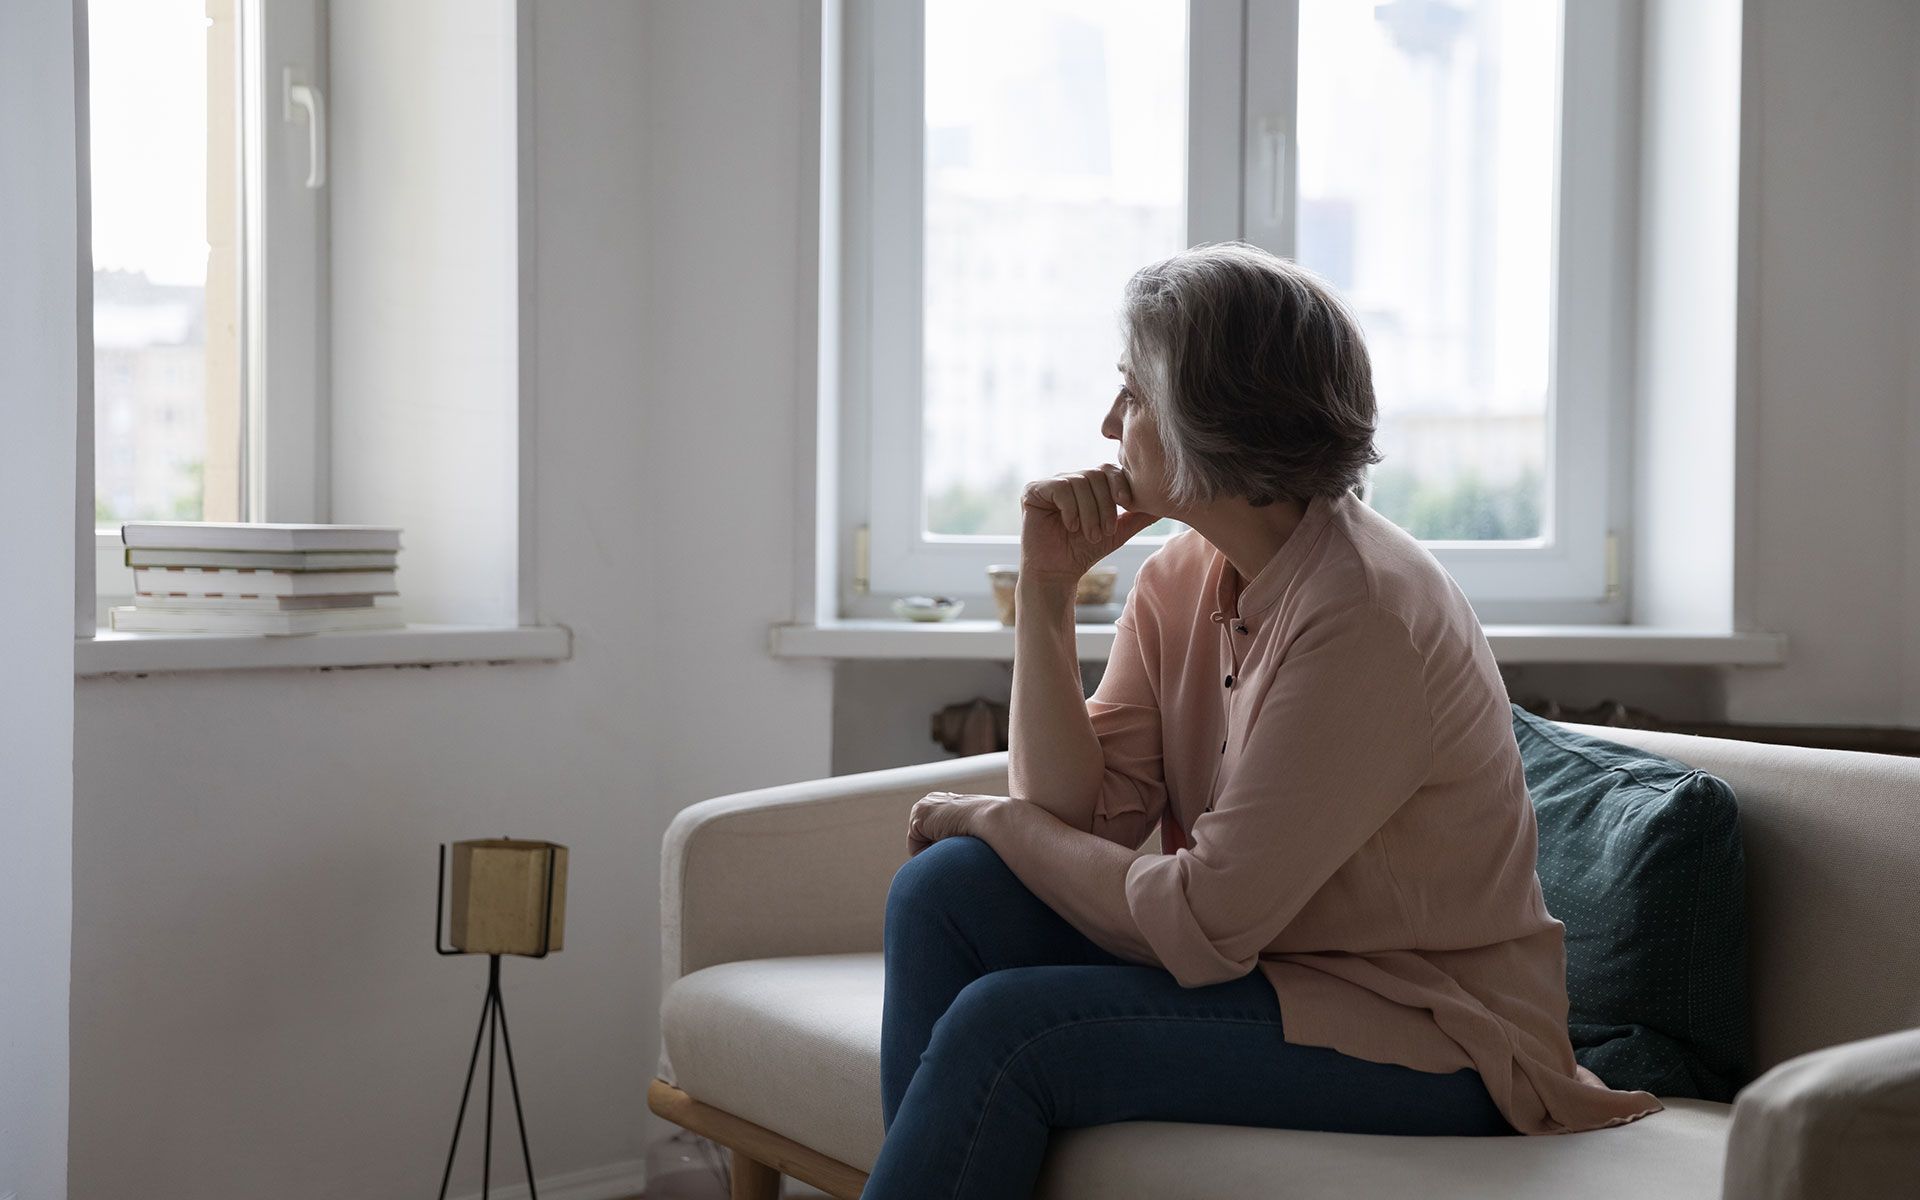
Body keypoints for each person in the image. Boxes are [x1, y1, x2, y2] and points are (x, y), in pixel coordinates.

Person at [862, 242, 1663, 1199]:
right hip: (1278, 977)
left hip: (1433, 1030)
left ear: (1216, 425)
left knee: (1009, 1027)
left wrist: (992, 814)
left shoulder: (1366, 614)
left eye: (1134, 394)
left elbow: (1201, 922)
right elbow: (1075, 814)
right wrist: (1046, 589)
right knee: (945, 888)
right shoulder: (1180, 575)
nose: (1109, 422)